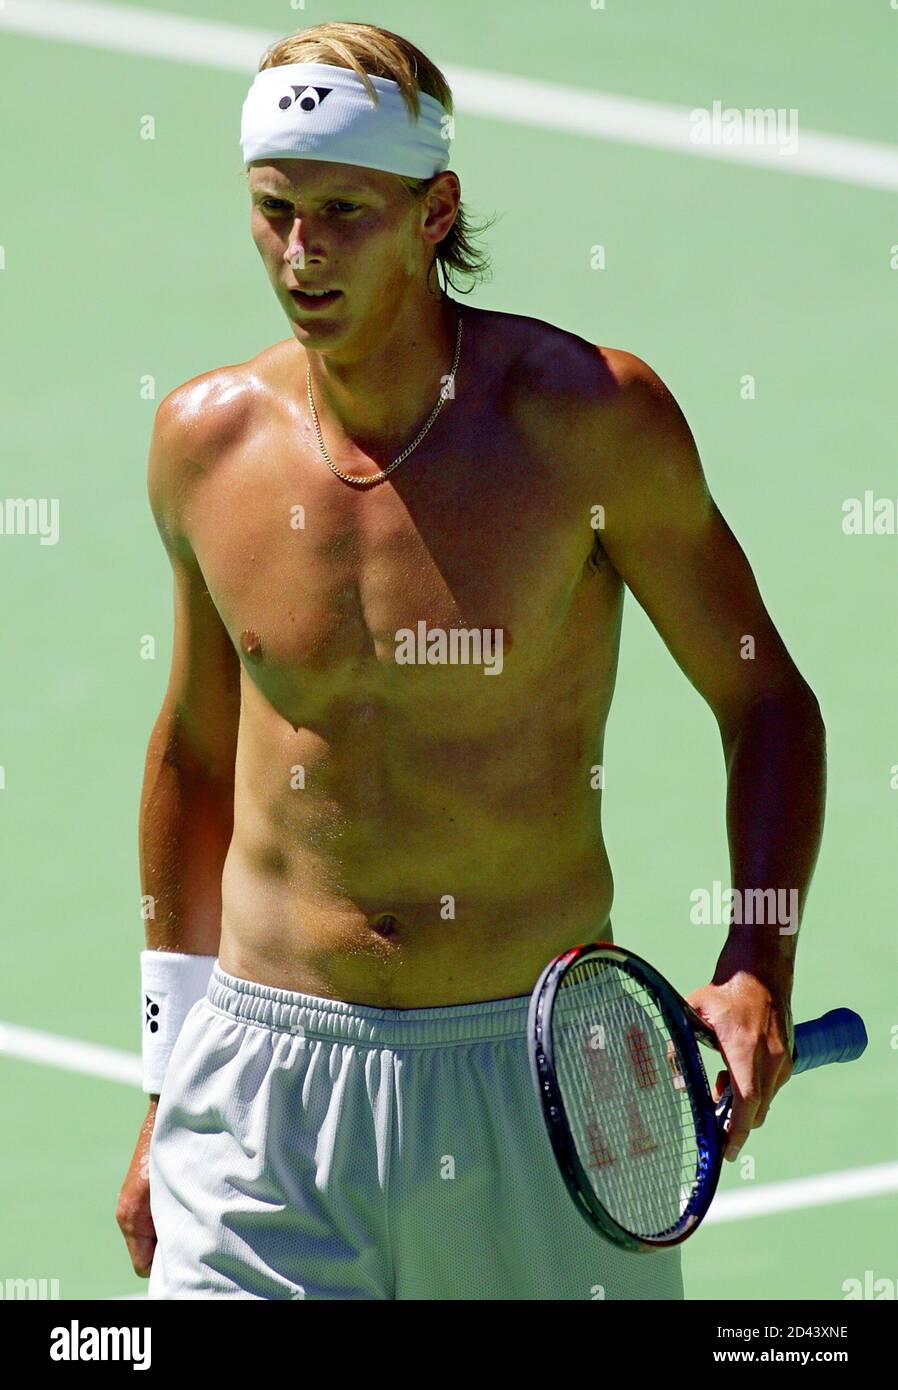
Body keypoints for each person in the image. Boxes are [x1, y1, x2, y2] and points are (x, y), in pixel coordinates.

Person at [116, 20, 825, 1300]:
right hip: (262, 1095)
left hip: (535, 1085)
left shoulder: (587, 423)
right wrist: (167, 1085)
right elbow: (198, 750)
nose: (301, 251)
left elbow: (763, 696)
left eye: (344, 211)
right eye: (275, 209)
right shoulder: (203, 445)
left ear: (433, 210)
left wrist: (756, 962)